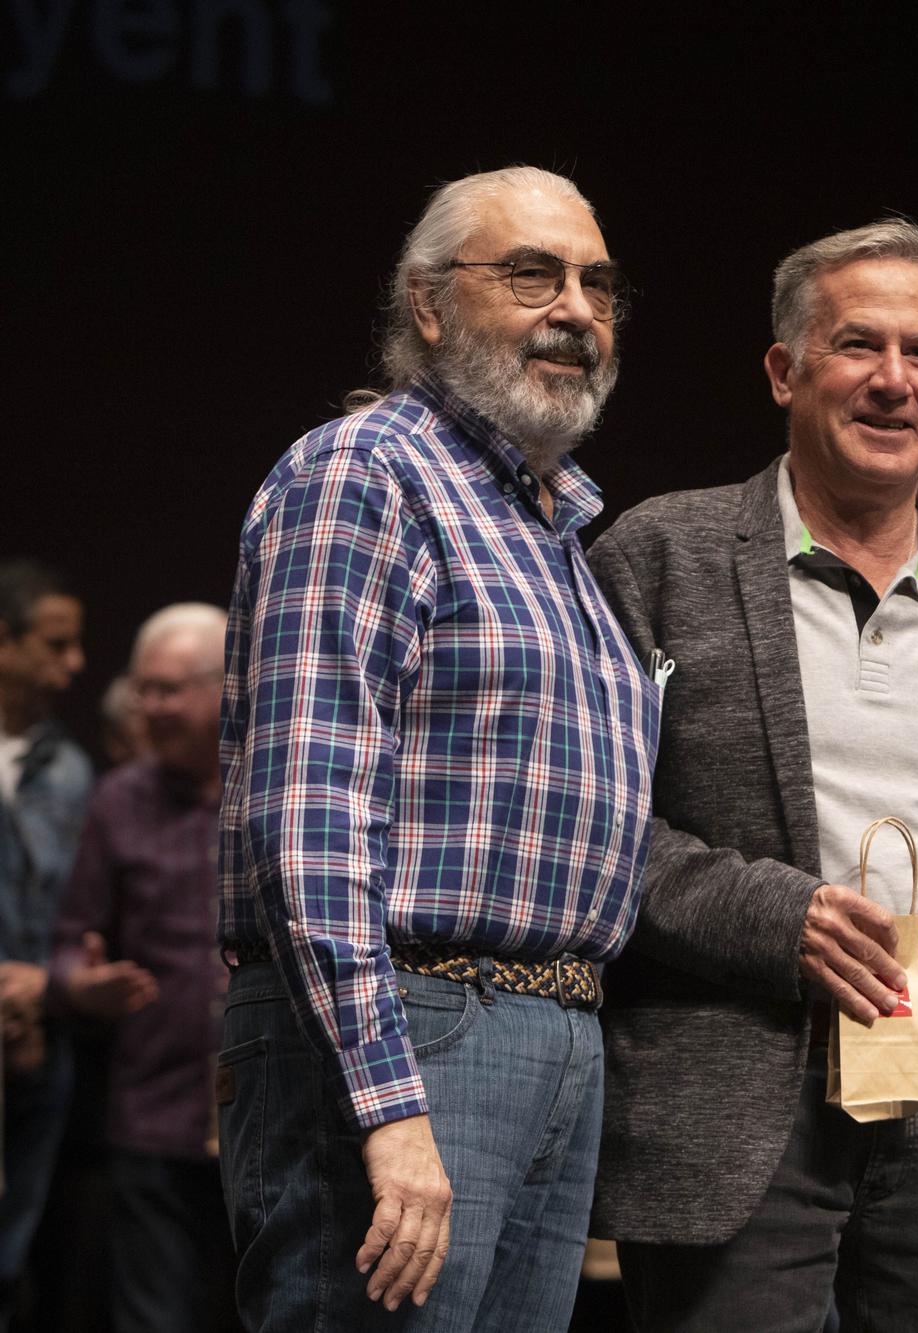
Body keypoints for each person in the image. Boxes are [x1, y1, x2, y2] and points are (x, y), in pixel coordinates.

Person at [586, 219, 918, 1332]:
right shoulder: (661, 554)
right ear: (783, 370)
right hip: (736, 1096)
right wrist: (782, 918)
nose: (894, 382)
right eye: (858, 346)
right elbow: (600, 831)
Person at [216, 165, 659, 1331]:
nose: (575, 308)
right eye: (531, 274)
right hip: (409, 1029)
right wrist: (386, 1104)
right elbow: (303, 818)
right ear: (427, 304)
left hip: (551, 1033)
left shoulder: (552, 525)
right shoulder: (366, 473)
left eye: (597, 283)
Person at [49, 603, 230, 1333]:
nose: (149, 707)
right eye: (142, 689)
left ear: (228, 684)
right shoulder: (119, 800)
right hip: (153, 1114)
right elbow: (66, 941)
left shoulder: (281, 788)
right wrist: (81, 986)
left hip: (270, 1117)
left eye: (170, 689)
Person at [0, 559, 89, 1325]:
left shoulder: (68, 768)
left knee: (19, 1242)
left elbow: (75, 902)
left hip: (36, 1031)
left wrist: (41, 985)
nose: (74, 664)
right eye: (55, 644)